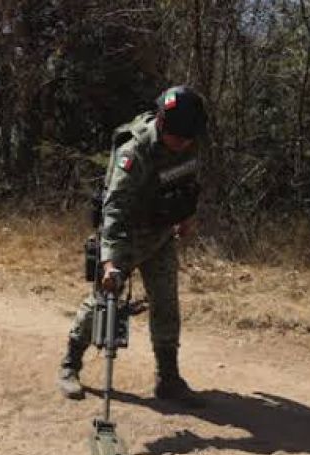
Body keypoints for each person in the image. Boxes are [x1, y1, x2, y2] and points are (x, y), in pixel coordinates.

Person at [57, 86, 208, 402]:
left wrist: (187, 216)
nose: (184, 144)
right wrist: (110, 261)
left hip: (160, 235)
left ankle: (168, 379)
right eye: (179, 137)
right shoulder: (134, 152)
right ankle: (70, 365)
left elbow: (188, 180)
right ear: (164, 126)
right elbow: (114, 209)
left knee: (166, 305)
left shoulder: (188, 140)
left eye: (189, 138)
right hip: (124, 235)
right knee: (102, 301)